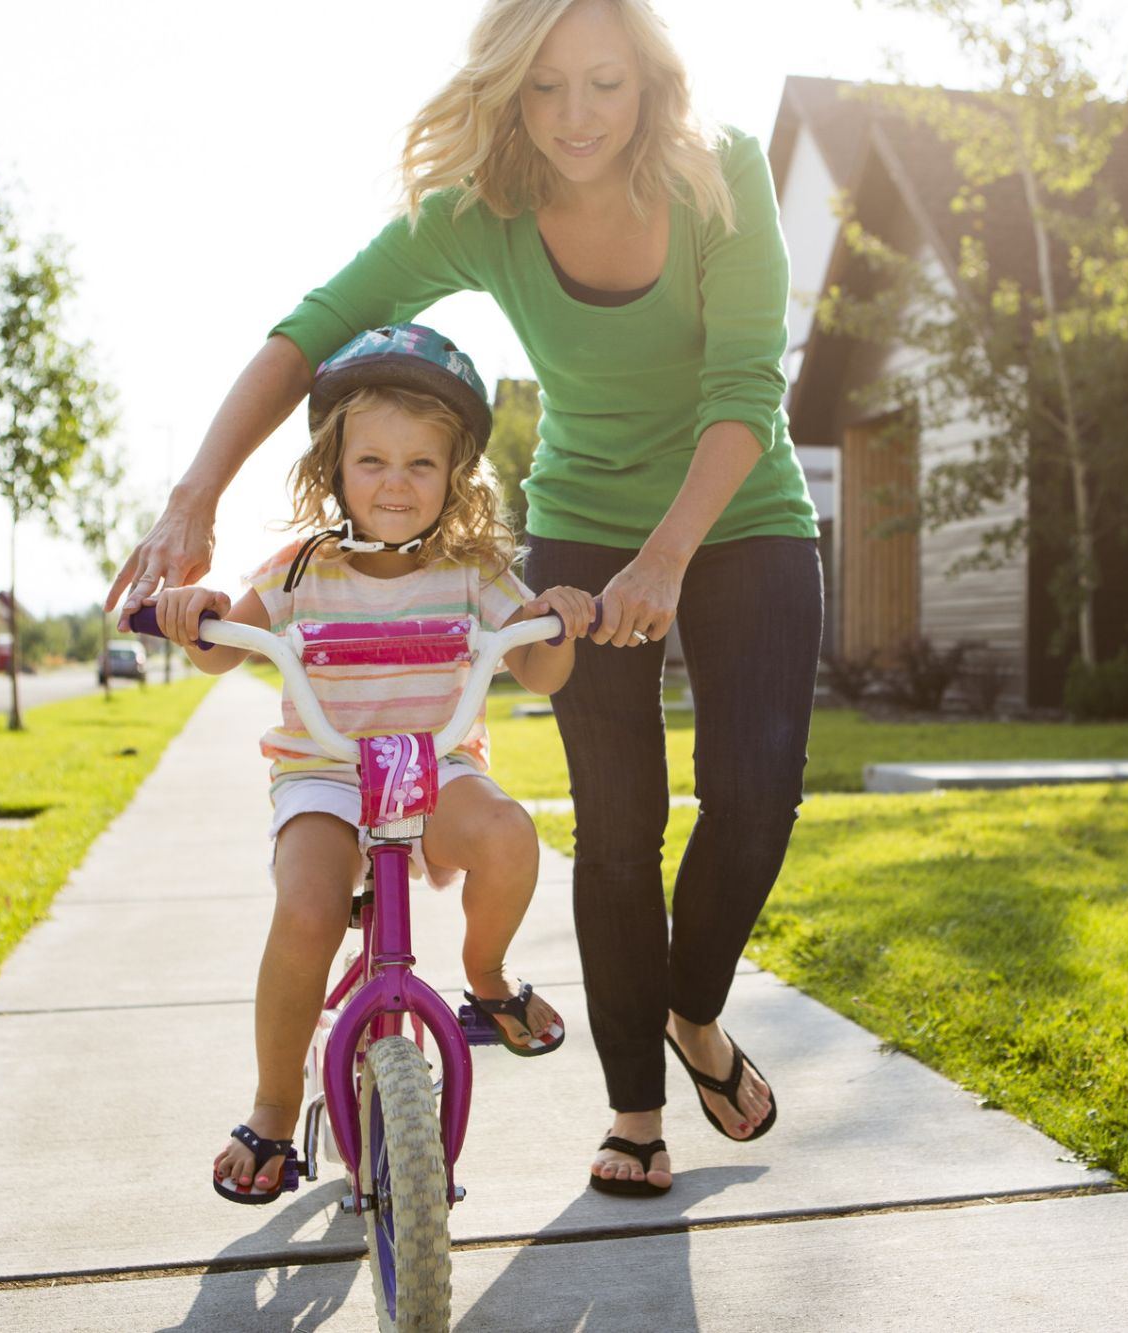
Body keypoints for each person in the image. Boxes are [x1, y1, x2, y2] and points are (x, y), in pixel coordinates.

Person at [110, 0, 820, 1197]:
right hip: (585, 517)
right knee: (618, 823)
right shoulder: (484, 210)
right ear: (506, 91)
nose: (575, 117)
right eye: (543, 89)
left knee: (753, 802)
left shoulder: (724, 169)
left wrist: (668, 557)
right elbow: (310, 332)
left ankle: (691, 1014)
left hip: (736, 511)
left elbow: (746, 390)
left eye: (602, 84)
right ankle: (635, 1116)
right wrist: (194, 496)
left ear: (648, 76)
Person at [144, 324, 599, 1205]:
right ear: (334, 469)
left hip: (434, 766)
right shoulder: (300, 570)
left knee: (509, 836)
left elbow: (540, 669)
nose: (396, 484)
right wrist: (196, 609)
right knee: (309, 908)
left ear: (456, 475)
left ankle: (489, 979)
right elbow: (222, 647)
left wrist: (555, 617)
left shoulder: (474, 571)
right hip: (326, 771)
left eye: (421, 465)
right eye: (374, 462)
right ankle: (276, 1108)